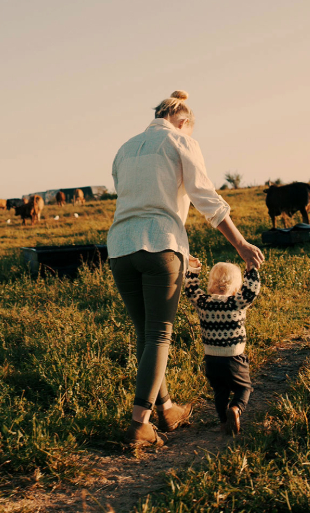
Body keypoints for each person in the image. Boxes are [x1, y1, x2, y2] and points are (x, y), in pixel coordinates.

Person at [108, 90, 265, 447]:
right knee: (160, 334)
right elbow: (206, 198)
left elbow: (133, 196)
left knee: (145, 335)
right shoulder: (180, 141)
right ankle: (139, 426)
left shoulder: (125, 148)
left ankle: (165, 408)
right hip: (160, 244)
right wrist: (240, 244)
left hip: (119, 248)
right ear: (182, 123)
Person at [183, 256, 261, 435]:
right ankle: (236, 409)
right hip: (234, 358)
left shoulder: (203, 303)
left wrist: (194, 269)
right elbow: (251, 291)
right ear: (236, 286)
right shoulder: (237, 303)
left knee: (220, 391)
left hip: (211, 359)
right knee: (244, 388)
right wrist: (251, 270)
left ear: (212, 283)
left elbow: (191, 290)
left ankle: (224, 423)